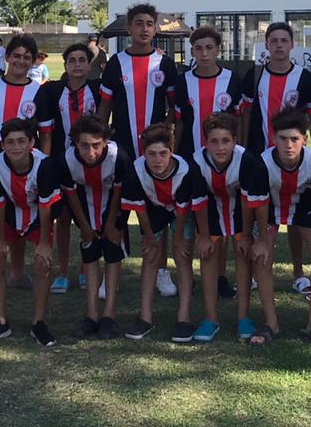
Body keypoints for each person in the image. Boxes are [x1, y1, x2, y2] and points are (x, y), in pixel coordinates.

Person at [97, 3, 181, 299]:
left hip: (154, 152)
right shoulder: (116, 63)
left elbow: (174, 108)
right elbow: (104, 106)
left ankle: (161, 270)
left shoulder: (165, 63)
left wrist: (165, 135)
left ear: (155, 29)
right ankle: (112, 271)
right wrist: (101, 139)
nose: (144, 29)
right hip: (123, 149)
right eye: (138, 23)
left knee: (159, 210)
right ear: (129, 28)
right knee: (117, 209)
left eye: (149, 23)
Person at [239, 21, 311, 299]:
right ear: (267, 45)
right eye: (274, 41)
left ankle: (299, 274)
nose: (279, 45)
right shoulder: (255, 76)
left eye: (284, 40)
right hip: (261, 160)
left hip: (294, 161)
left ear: (292, 45)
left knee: (295, 216)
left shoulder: (305, 78)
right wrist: (244, 150)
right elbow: (245, 114)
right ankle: (255, 273)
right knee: (258, 216)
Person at [248, 106, 311, 345]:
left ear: (304, 139)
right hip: (271, 208)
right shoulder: (262, 163)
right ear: (273, 138)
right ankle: (271, 323)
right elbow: (260, 205)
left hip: (305, 207)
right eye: (283, 139)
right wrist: (262, 240)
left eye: (294, 139)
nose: (288, 145)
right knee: (261, 257)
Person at [172, 25, 244, 303]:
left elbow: (239, 120)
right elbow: (179, 122)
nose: (204, 53)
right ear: (192, 51)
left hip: (223, 161)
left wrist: (239, 154)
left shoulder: (232, 80)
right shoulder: (182, 82)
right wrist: (175, 154)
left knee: (220, 220)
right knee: (190, 218)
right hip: (191, 161)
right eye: (198, 48)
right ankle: (188, 276)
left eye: (209, 48)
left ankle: (220, 276)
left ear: (218, 50)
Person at [0, 118, 64, 347]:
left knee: (43, 263)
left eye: (21, 141)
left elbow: (46, 206)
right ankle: (0, 321)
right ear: (3, 144)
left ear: (31, 143)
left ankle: (39, 322)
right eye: (10, 142)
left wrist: (44, 243)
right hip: (8, 213)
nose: (16, 147)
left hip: (37, 215)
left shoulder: (44, 165)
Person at [119, 123, 209, 342]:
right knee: (150, 256)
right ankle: (145, 318)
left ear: (171, 151)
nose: (157, 160)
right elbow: (139, 209)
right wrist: (150, 238)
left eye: (163, 154)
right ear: (143, 153)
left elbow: (183, 210)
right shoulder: (135, 171)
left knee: (182, 256)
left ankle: (183, 317)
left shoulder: (186, 171)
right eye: (151, 154)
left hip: (181, 211)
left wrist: (179, 239)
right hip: (153, 209)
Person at [190, 112, 269, 343]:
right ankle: (210, 318)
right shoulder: (196, 161)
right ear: (206, 143)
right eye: (214, 141)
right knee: (207, 254)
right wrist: (203, 236)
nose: (220, 147)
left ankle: (243, 317)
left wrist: (246, 235)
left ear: (235, 140)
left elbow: (249, 201)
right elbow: (199, 202)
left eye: (226, 141)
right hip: (211, 208)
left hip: (241, 210)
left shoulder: (247, 160)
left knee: (243, 254)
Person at [37, 42, 104, 294]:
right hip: (60, 163)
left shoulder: (98, 89)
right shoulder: (51, 90)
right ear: (65, 65)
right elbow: (46, 132)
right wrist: (44, 165)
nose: (77, 65)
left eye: (82, 60)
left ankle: (86, 269)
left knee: (89, 218)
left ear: (89, 65)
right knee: (63, 218)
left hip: (91, 162)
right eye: (72, 61)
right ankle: (63, 272)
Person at [57, 114, 130, 339]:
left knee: (112, 252)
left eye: (96, 145)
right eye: (84, 145)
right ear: (75, 143)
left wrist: (113, 224)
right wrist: (84, 227)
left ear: (105, 141)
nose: (90, 152)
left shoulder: (119, 157)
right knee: (89, 254)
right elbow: (71, 196)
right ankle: (91, 315)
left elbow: (120, 193)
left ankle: (109, 315)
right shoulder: (66, 160)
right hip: (85, 208)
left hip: (113, 208)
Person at [0, 33, 42, 288]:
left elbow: (44, 131)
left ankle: (17, 273)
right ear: (6, 57)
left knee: (19, 215)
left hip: (24, 166)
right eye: (16, 56)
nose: (21, 61)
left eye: (27, 57)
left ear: (33, 61)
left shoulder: (39, 91)